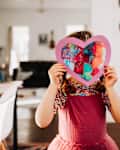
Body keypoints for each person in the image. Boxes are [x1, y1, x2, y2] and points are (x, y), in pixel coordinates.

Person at [35, 31, 120, 150]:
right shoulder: (64, 89)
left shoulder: (102, 88)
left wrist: (110, 88)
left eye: (90, 58)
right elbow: (41, 121)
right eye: (79, 61)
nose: (85, 65)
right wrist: (53, 85)